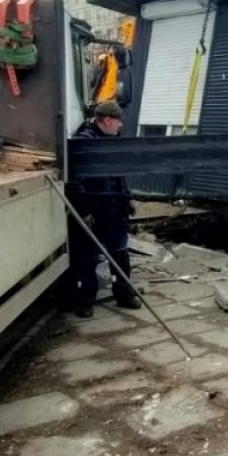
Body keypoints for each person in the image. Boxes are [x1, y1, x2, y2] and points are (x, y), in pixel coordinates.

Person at [66, 99, 140, 316]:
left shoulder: (112, 141)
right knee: (87, 259)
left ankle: (123, 294)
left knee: (119, 256)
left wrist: (128, 199)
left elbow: (119, 175)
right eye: (118, 121)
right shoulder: (84, 143)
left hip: (114, 211)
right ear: (106, 120)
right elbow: (74, 182)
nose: (121, 126)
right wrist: (84, 211)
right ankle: (85, 301)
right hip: (94, 214)